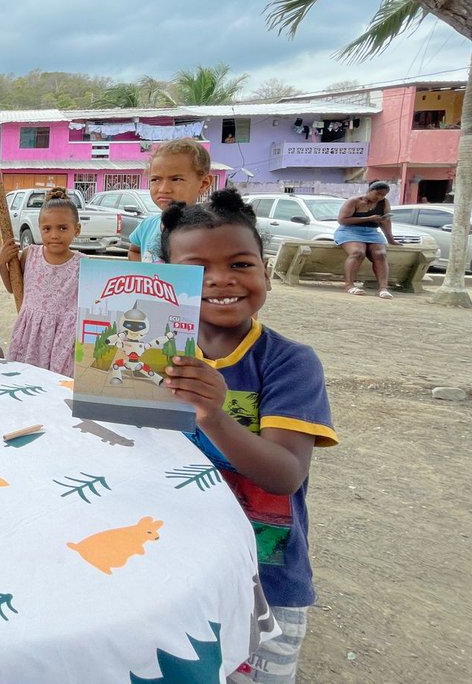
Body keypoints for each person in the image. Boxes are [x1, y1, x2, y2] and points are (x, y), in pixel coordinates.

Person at [159, 189, 336, 684]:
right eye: (197, 269)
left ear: (266, 273)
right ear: (167, 283)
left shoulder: (289, 362)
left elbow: (284, 474)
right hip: (173, 566)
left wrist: (213, 414)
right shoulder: (151, 356)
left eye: (241, 263)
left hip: (264, 574)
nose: (221, 279)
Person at [0, 187, 81, 377]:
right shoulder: (30, 255)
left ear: (77, 229)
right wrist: (2, 263)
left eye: (62, 228)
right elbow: (13, 289)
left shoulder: (83, 263)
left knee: (57, 386)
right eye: (47, 229)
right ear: (39, 228)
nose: (54, 235)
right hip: (30, 334)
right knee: (27, 379)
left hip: (63, 338)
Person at [129, 138, 213, 263]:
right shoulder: (148, 225)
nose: (163, 189)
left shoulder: (212, 230)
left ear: (204, 184)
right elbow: (134, 250)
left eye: (176, 179)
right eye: (155, 179)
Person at [334, 181, 397, 299]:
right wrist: (368, 218)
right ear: (369, 190)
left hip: (372, 232)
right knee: (358, 253)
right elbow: (342, 220)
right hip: (350, 231)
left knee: (380, 254)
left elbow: (386, 222)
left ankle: (383, 288)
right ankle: (349, 285)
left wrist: (390, 238)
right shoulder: (354, 201)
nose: (379, 197)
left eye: (383, 195)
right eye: (377, 194)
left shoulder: (384, 203)